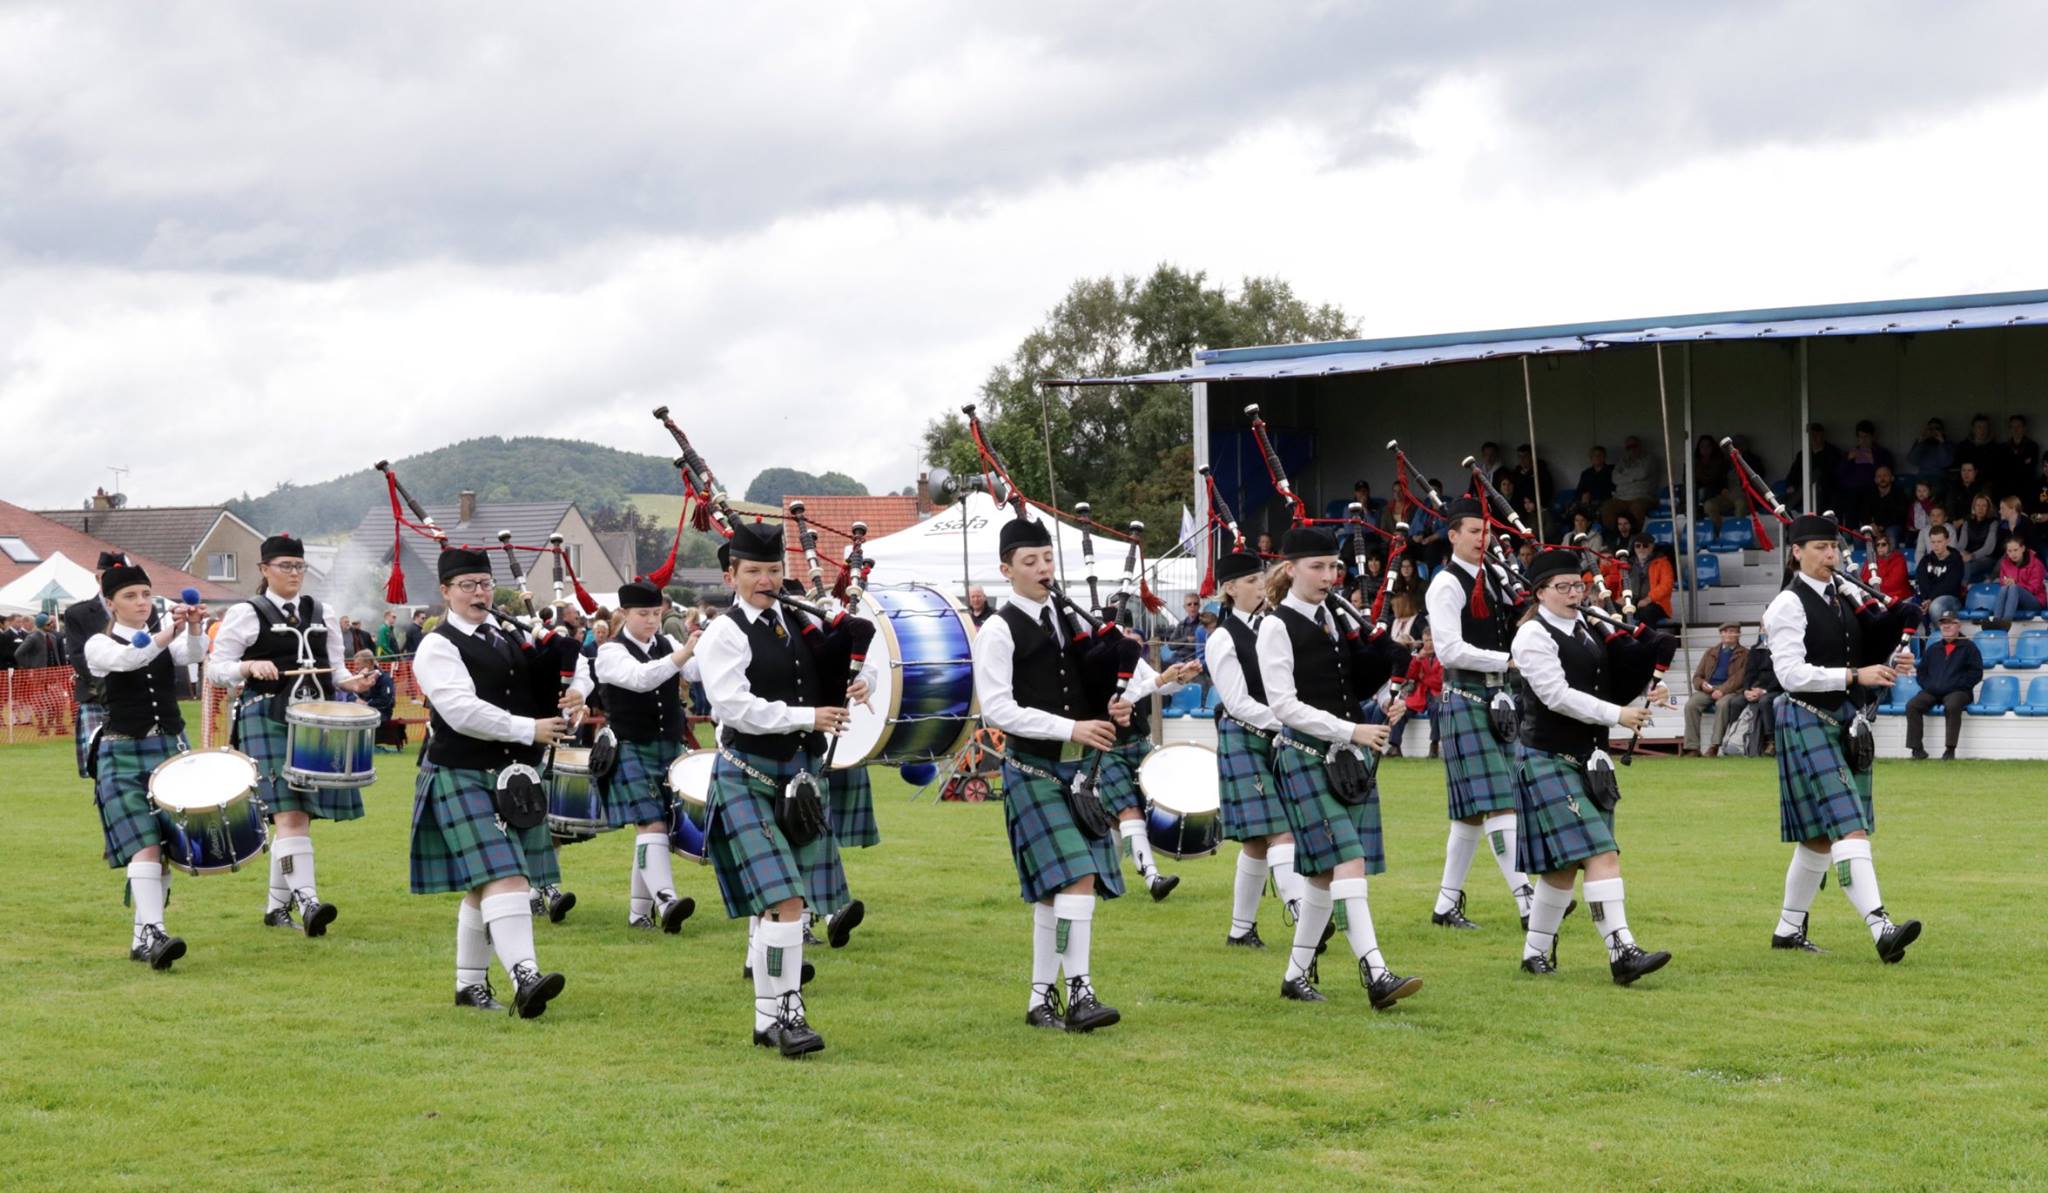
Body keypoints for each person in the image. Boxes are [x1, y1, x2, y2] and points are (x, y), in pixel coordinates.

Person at [694, 522, 861, 1056]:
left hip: (801, 781)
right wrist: (808, 716)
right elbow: (732, 705)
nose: (766, 580)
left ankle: (770, 1020)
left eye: (772, 571)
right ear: (731, 575)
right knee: (784, 901)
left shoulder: (801, 622)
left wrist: (861, 682)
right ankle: (789, 1010)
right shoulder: (725, 633)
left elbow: (842, 671)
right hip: (748, 775)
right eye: (754, 572)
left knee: (786, 905)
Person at [972, 514, 1126, 1033]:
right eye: (1030, 561)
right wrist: (1071, 728)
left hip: (1077, 774)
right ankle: (1080, 993)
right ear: (1006, 570)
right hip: (1032, 768)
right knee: (1076, 876)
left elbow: (1094, 685)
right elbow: (997, 709)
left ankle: (1042, 1001)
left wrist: (1119, 703)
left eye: (1047, 558)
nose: (1042, 568)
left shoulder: (1068, 618)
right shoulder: (997, 628)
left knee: (1052, 891)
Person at [410, 547, 579, 1016]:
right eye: (467, 585)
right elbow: (461, 711)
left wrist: (573, 694)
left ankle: (469, 986)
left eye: (484, 584)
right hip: (460, 772)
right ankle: (525, 975)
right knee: (505, 875)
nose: (478, 593)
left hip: (512, 777)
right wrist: (529, 729)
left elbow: (538, 690)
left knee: (483, 882)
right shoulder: (437, 645)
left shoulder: (505, 636)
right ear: (445, 591)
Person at [1256, 525, 1419, 1009]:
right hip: (1305, 756)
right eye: (1318, 567)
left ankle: (1295, 976)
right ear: (1290, 570)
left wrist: (1388, 698)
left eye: (1334, 567)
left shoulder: (1333, 617)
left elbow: (1349, 686)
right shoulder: (1275, 626)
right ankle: (1376, 973)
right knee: (1349, 860)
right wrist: (1353, 732)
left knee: (1324, 877)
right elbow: (1284, 705)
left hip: (1345, 758)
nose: (1329, 576)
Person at [1508, 550, 1673, 984]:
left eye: (1576, 585)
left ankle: (1534, 954)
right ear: (1539, 592)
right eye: (1561, 587)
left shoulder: (1589, 625)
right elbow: (1557, 695)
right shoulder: (1531, 636)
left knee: (1562, 869)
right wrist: (1617, 715)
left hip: (1590, 761)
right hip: (1547, 757)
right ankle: (1622, 951)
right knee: (1601, 853)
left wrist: (1646, 694)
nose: (1572, 593)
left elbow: (1610, 683)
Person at [1763, 514, 1920, 963]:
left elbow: (1855, 653)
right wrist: (1854, 674)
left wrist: (1888, 663)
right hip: (1805, 719)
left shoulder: (1841, 597)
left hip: (1843, 720)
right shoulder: (1787, 606)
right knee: (1848, 823)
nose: (1830, 556)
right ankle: (1881, 927)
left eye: (1833, 548)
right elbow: (1789, 673)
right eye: (1819, 548)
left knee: (1817, 837)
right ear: (1796, 552)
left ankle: (1789, 930)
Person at [207, 534, 374, 936]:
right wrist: (247, 669)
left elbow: (335, 669)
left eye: (298, 566)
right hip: (264, 716)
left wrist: (353, 683)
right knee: (290, 814)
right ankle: (309, 901)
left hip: (315, 721)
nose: (294, 574)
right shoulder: (247, 612)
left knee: (298, 818)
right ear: (264, 570)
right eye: (285, 566)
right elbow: (216, 668)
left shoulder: (323, 612)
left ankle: (276, 908)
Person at [85, 562, 210, 970]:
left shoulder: (162, 635)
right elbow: (130, 659)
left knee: (168, 845)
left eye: (145, 594)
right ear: (111, 603)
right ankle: (155, 932)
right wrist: (167, 630)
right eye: (130, 596)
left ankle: (144, 938)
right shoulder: (98, 645)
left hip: (170, 746)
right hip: (122, 752)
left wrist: (192, 628)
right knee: (145, 843)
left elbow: (192, 656)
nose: (141, 602)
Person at [1423, 499, 1535, 931]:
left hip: (1497, 700)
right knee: (1501, 802)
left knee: (1472, 811)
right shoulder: (1446, 585)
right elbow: (1449, 650)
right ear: (1453, 536)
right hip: (1467, 698)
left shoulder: (1491, 577)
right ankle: (1527, 902)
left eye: (1485, 531)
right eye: (1473, 531)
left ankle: (1446, 906)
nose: (1481, 539)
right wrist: (1505, 660)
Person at [1203, 551, 1307, 949]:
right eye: (1251, 582)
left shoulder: (1272, 626)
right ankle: (1303, 914)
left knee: (1255, 840)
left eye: (1261, 579)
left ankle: (1240, 929)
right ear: (1230, 589)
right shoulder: (1222, 637)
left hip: (1276, 737)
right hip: (1245, 736)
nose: (1261, 587)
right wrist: (1290, 720)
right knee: (1280, 830)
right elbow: (1237, 701)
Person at [592, 580, 707, 934]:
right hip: (630, 745)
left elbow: (696, 674)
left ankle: (638, 912)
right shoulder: (610, 652)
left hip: (668, 745)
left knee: (656, 825)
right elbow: (641, 679)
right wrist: (683, 654)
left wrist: (708, 648)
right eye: (643, 614)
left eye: (657, 613)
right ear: (624, 614)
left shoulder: (667, 642)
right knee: (650, 823)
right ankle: (667, 900)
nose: (652, 621)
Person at [60, 551, 127, 778]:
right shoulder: (77, 613)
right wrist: (109, 686)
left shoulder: (144, 611)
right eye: (110, 576)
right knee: (101, 765)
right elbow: (78, 656)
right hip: (96, 695)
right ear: (98, 578)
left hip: (135, 698)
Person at [1906, 610, 1982, 761]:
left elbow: (1976, 673)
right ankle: (1917, 749)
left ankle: (1950, 750)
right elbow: (1921, 671)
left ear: (1958, 625)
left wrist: (1957, 685)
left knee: (1953, 705)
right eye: (1943, 623)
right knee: (1912, 705)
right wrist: (1929, 685)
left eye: (1950, 623)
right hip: (1933, 691)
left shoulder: (1969, 647)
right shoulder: (1933, 648)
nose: (1946, 626)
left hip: (1959, 692)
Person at [1683, 622, 1749, 757]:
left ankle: (1714, 746)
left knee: (1722, 704)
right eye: (1725, 632)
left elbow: (1739, 678)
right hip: (1709, 689)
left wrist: (1723, 690)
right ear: (1720, 634)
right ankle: (1692, 747)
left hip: (1730, 691)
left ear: (1739, 634)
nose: (1728, 635)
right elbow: (1697, 676)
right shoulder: (1710, 652)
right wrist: (1702, 685)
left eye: (1732, 631)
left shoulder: (1745, 654)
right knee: (1691, 705)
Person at [1386, 623, 1441, 758]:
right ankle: (1394, 746)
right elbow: (1411, 675)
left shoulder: (1443, 655)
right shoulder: (1420, 656)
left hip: (1436, 693)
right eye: (1426, 640)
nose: (1429, 644)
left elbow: (1439, 682)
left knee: (1436, 709)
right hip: (1420, 694)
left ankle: (1434, 745)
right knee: (1400, 710)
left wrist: (1423, 678)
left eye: (1431, 640)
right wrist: (1417, 660)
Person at [1783, 423, 1847, 515]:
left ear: (1822, 436)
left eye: (1817, 435)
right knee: (1780, 501)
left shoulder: (1832, 452)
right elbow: (1793, 472)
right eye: (1812, 435)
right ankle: (1790, 521)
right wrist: (1790, 484)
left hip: (1825, 491)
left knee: (1816, 474)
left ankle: (1790, 504)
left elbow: (1837, 475)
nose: (1815, 438)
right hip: (1801, 493)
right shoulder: (1803, 454)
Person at [1985, 536, 2046, 630]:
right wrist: (2007, 583)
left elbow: (2035, 588)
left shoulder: (2036, 563)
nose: (2013, 554)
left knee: (2014, 587)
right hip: (2014, 601)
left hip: (2035, 601)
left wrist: (2016, 584)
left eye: (2015, 550)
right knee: (2004, 588)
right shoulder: (2005, 563)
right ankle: (1996, 621)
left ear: (2023, 548)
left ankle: (2006, 622)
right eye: (2009, 551)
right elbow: (2003, 583)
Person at [1600, 436, 1659, 532]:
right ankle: (1615, 537)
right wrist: (1633, 477)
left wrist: (1624, 475)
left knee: (1637, 508)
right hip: (1620, 498)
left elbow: (1642, 473)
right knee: (1607, 507)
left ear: (1640, 446)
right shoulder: (1623, 460)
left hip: (1642, 497)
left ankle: (1634, 537)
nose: (1632, 449)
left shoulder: (1649, 458)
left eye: (1634, 446)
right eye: (1628, 447)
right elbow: (1615, 478)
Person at [1913, 525, 1967, 627]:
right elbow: (1922, 581)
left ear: (1947, 541)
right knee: (1909, 608)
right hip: (1928, 598)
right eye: (1933, 542)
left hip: (1951, 599)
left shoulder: (1956, 559)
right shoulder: (1926, 560)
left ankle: (1941, 638)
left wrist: (1931, 599)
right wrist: (1926, 599)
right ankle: (1920, 640)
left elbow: (1950, 585)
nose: (1936, 545)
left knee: (1936, 606)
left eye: (1939, 542)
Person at [1695, 434, 1747, 536]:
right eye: (1731, 447)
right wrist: (1722, 489)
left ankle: (1737, 533)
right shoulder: (1721, 462)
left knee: (1741, 504)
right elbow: (1718, 481)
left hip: (1743, 496)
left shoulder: (1751, 461)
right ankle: (1721, 533)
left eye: (1738, 447)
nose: (1735, 450)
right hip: (1723, 495)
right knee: (1709, 505)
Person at [1628, 535, 1676, 627]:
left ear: (1652, 547)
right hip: (1632, 602)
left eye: (1645, 545)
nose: (1641, 548)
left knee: (1646, 612)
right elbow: (1620, 582)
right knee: (1615, 610)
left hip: (1656, 603)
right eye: (1637, 546)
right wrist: (1622, 597)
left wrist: (1648, 599)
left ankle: (1649, 640)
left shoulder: (1663, 563)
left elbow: (1666, 585)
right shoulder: (1628, 563)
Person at [1992, 414, 2040, 504]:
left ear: (2024, 428)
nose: (2015, 430)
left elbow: (2029, 469)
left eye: (2018, 426)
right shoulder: (2003, 448)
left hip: (2025, 489)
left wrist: (2012, 464)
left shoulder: (2032, 446)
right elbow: (2001, 470)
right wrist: (2022, 462)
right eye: (2012, 427)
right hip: (2007, 489)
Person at [1859, 466, 1911, 548]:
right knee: (1859, 535)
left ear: (1892, 478)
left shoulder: (1899, 493)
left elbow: (1900, 515)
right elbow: (1863, 512)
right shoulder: (1869, 493)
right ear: (1875, 480)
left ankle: (1890, 560)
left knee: (1891, 533)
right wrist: (1871, 524)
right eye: (1879, 476)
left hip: (1892, 526)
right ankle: (1864, 560)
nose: (1882, 478)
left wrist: (1882, 527)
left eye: (1885, 475)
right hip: (1873, 527)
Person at [1958, 492, 2000, 583]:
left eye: (1984, 506)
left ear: (1988, 508)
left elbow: (1988, 548)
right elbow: (1961, 546)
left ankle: (1963, 589)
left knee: (1968, 565)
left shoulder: (1993, 523)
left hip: (1987, 558)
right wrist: (1963, 554)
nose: (1980, 508)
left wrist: (1972, 556)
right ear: (1974, 507)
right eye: (1978, 505)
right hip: (1968, 556)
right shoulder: (1967, 523)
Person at [352, 649, 396, 726]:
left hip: (380, 715)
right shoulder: (357, 678)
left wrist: (367, 704)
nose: (355, 667)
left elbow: (386, 701)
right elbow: (350, 695)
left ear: (368, 663)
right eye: (355, 664)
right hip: (361, 712)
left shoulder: (385, 679)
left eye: (358, 664)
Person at [1904, 417, 1954, 484]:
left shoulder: (1948, 444)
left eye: (1937, 429)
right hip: (1922, 479)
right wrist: (1921, 441)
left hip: (1939, 479)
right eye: (1930, 429)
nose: (1933, 431)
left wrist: (1941, 442)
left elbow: (1945, 463)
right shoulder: (1921, 443)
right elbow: (1912, 460)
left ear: (1942, 431)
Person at [1866, 533, 1911, 605]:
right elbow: (1864, 580)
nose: (1880, 547)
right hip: (1877, 598)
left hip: (1899, 599)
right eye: (1877, 545)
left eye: (1883, 544)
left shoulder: (1898, 559)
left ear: (1890, 546)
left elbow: (1893, 584)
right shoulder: (1871, 560)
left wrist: (1875, 585)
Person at [1574, 445, 1616, 514]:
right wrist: (1583, 495)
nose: (1597, 457)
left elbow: (1615, 489)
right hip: (1587, 503)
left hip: (1605, 502)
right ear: (1591, 458)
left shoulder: (1612, 470)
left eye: (1599, 455)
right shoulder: (1586, 473)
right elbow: (1579, 490)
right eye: (1594, 455)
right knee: (1572, 509)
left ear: (1604, 457)